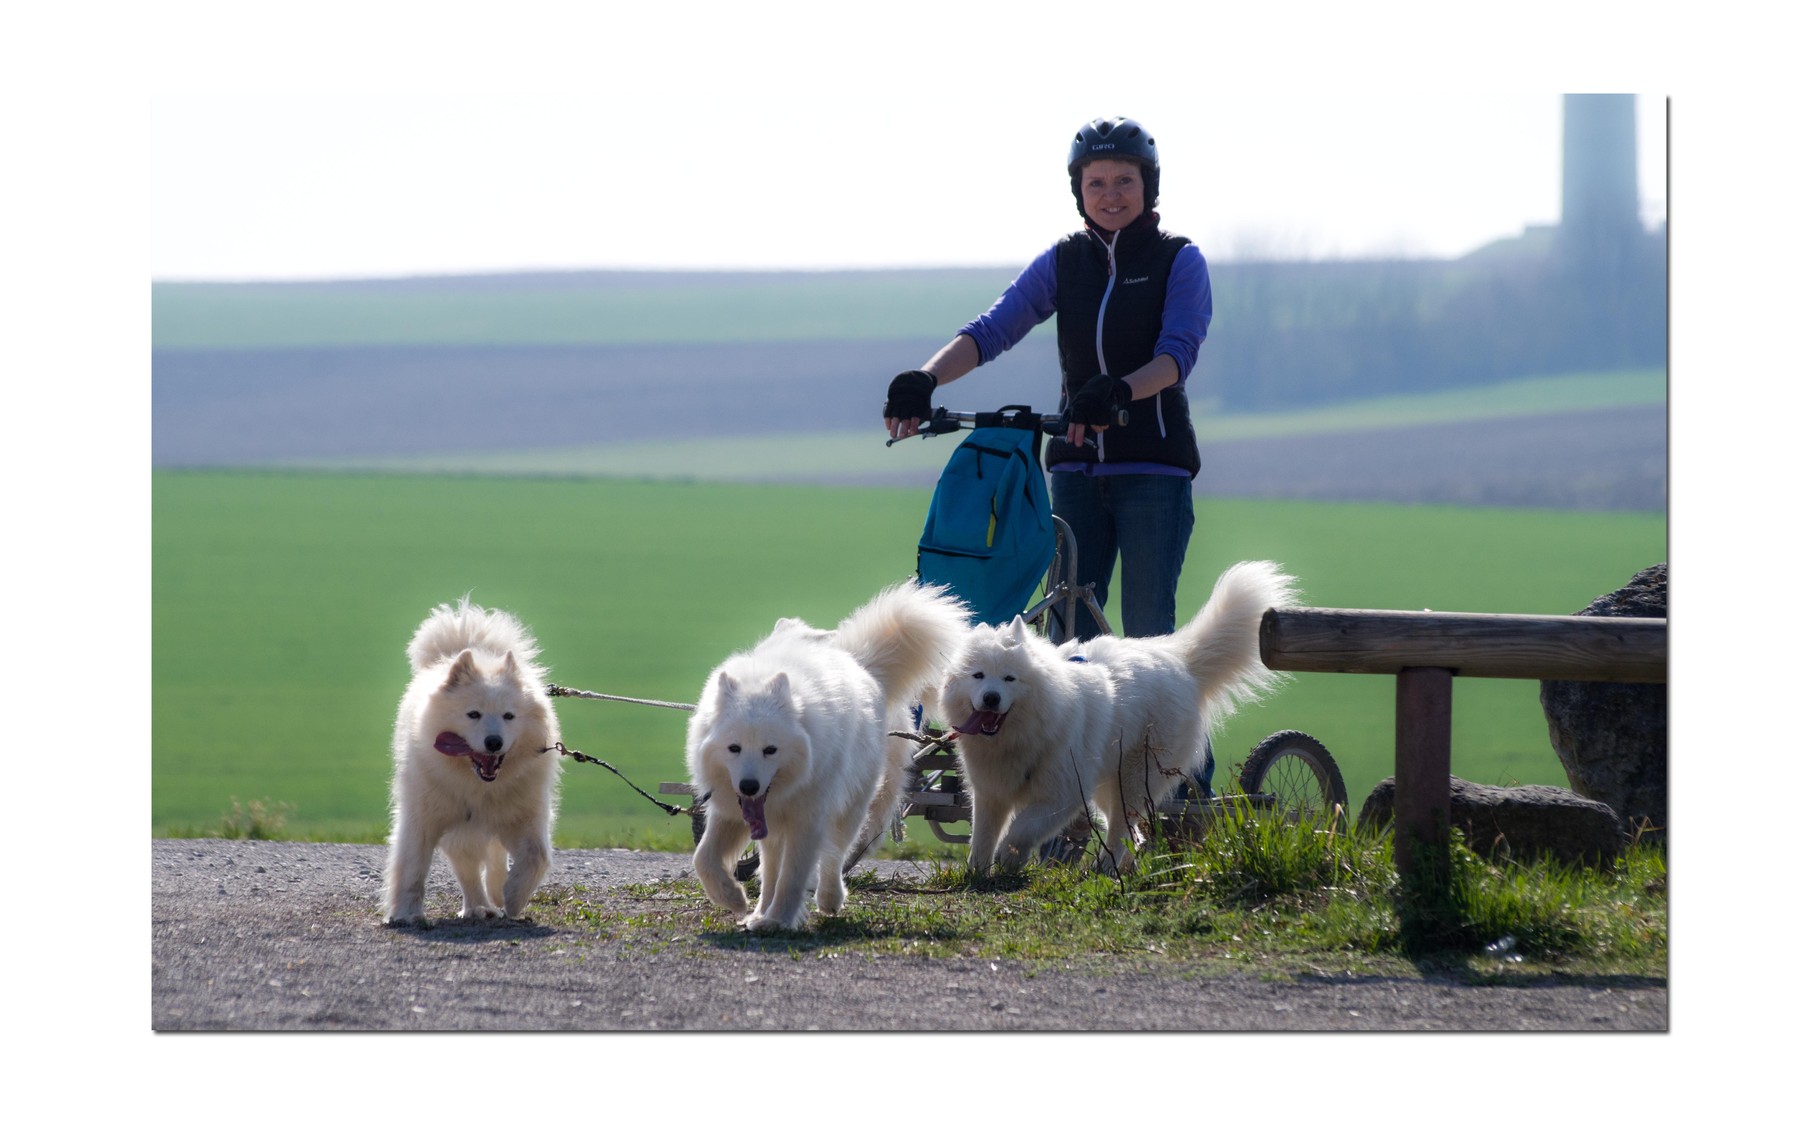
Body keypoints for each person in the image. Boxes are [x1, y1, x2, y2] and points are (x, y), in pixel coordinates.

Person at [884, 115, 1218, 801]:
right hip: (1072, 469)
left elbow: (1176, 354)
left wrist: (1117, 392)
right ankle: (1059, 791)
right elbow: (995, 326)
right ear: (1078, 190)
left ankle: (1185, 793)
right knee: (1061, 639)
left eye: (1124, 181)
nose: (1111, 194)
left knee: (1152, 635)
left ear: (1147, 187)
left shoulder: (1178, 260)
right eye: (1096, 182)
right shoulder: (1064, 261)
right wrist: (926, 380)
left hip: (1151, 470)